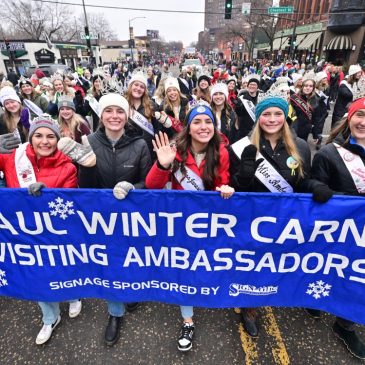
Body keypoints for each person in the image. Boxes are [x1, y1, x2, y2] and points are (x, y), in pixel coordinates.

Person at [230, 95, 321, 338]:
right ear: (258, 117)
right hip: (252, 221)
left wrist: (313, 186)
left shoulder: (300, 146)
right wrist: (244, 177)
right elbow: (233, 191)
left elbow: (302, 182)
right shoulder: (243, 146)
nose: (272, 119)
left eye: (277, 114)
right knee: (253, 265)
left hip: (284, 220)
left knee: (278, 263)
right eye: (266, 114)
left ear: (285, 116)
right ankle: (249, 308)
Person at [145, 104, 235, 352]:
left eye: (208, 121)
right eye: (197, 122)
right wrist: (163, 165)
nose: (203, 126)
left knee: (204, 264)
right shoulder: (174, 150)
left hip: (206, 223)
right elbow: (152, 187)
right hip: (179, 223)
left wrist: (225, 189)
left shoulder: (221, 153)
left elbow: (220, 184)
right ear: (189, 127)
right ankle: (188, 320)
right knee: (184, 269)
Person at [0, 114, 81, 345]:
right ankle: (50, 317)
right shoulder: (13, 158)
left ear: (57, 139)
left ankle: (74, 294)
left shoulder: (67, 166)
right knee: (36, 276)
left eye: (50, 136)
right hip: (24, 233)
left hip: (55, 232)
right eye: (38, 135)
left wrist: (48, 197)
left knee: (64, 267)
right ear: (30, 137)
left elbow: (70, 202)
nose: (44, 141)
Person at [78, 93, 151, 346]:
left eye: (119, 111)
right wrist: (87, 166)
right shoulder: (88, 141)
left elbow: (147, 182)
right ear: (101, 115)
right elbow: (83, 187)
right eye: (108, 111)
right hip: (101, 219)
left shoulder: (140, 144)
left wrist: (133, 188)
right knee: (110, 265)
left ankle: (130, 290)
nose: (114, 116)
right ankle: (114, 312)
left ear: (127, 115)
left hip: (132, 217)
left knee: (131, 258)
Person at [308, 96, 365, 359]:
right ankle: (315, 298)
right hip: (339, 229)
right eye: (360, 115)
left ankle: (345, 324)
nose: (363, 122)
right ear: (349, 118)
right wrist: (318, 188)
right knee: (331, 265)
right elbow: (312, 185)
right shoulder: (330, 153)